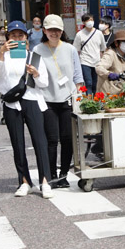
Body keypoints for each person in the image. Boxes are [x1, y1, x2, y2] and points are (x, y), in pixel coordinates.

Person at [0, 20, 53, 199]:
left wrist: (35, 73)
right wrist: (2, 53)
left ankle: (45, 181)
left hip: (32, 100)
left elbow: (44, 83)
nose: (17, 38)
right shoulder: (1, 56)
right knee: (17, 143)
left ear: (26, 38)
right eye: (13, 36)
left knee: (40, 141)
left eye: (20, 35)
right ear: (7, 38)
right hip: (12, 103)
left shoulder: (33, 56)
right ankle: (24, 181)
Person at [33, 14, 83, 188]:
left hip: (68, 99)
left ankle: (63, 175)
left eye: (57, 30)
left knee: (68, 138)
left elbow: (78, 74)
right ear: (44, 30)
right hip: (47, 100)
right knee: (52, 139)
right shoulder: (37, 50)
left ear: (62, 31)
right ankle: (52, 174)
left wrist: (80, 93)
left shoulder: (70, 49)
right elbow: (31, 77)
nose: (54, 33)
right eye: (50, 30)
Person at [96, 29, 125, 94]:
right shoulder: (110, 54)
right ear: (116, 43)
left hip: (122, 92)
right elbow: (99, 67)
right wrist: (109, 74)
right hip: (108, 94)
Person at [74, 13, 107, 93]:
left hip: (97, 62)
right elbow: (75, 50)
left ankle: (95, 101)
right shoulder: (79, 34)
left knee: (95, 83)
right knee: (88, 83)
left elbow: (103, 48)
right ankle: (89, 101)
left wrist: (102, 62)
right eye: (88, 20)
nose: (90, 22)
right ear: (83, 22)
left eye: (91, 20)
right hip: (85, 62)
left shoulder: (99, 33)